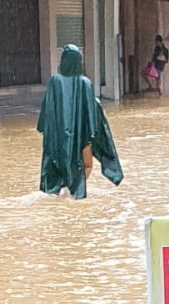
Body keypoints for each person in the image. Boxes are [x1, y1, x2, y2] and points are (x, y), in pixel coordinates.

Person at [37, 45, 122, 199]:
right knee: (84, 165)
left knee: (55, 166)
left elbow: (47, 110)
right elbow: (90, 112)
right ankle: (74, 193)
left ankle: (59, 193)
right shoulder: (85, 83)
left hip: (57, 138)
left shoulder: (54, 81)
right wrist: (92, 133)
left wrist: (46, 130)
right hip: (80, 137)